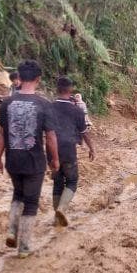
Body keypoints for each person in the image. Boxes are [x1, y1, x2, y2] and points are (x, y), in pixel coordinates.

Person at [0, 60, 59, 257]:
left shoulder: (6, 103)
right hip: (34, 161)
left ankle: (12, 230)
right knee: (31, 202)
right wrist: (54, 159)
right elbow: (50, 137)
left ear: (19, 78)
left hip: (13, 159)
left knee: (17, 194)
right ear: (38, 79)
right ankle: (23, 247)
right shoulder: (43, 105)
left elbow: (2, 134)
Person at [49, 77, 95, 227]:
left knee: (57, 183)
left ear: (57, 89)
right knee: (72, 181)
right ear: (70, 91)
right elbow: (84, 133)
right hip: (69, 150)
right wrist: (91, 148)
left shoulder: (49, 107)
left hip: (52, 150)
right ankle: (62, 209)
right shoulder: (77, 110)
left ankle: (57, 220)